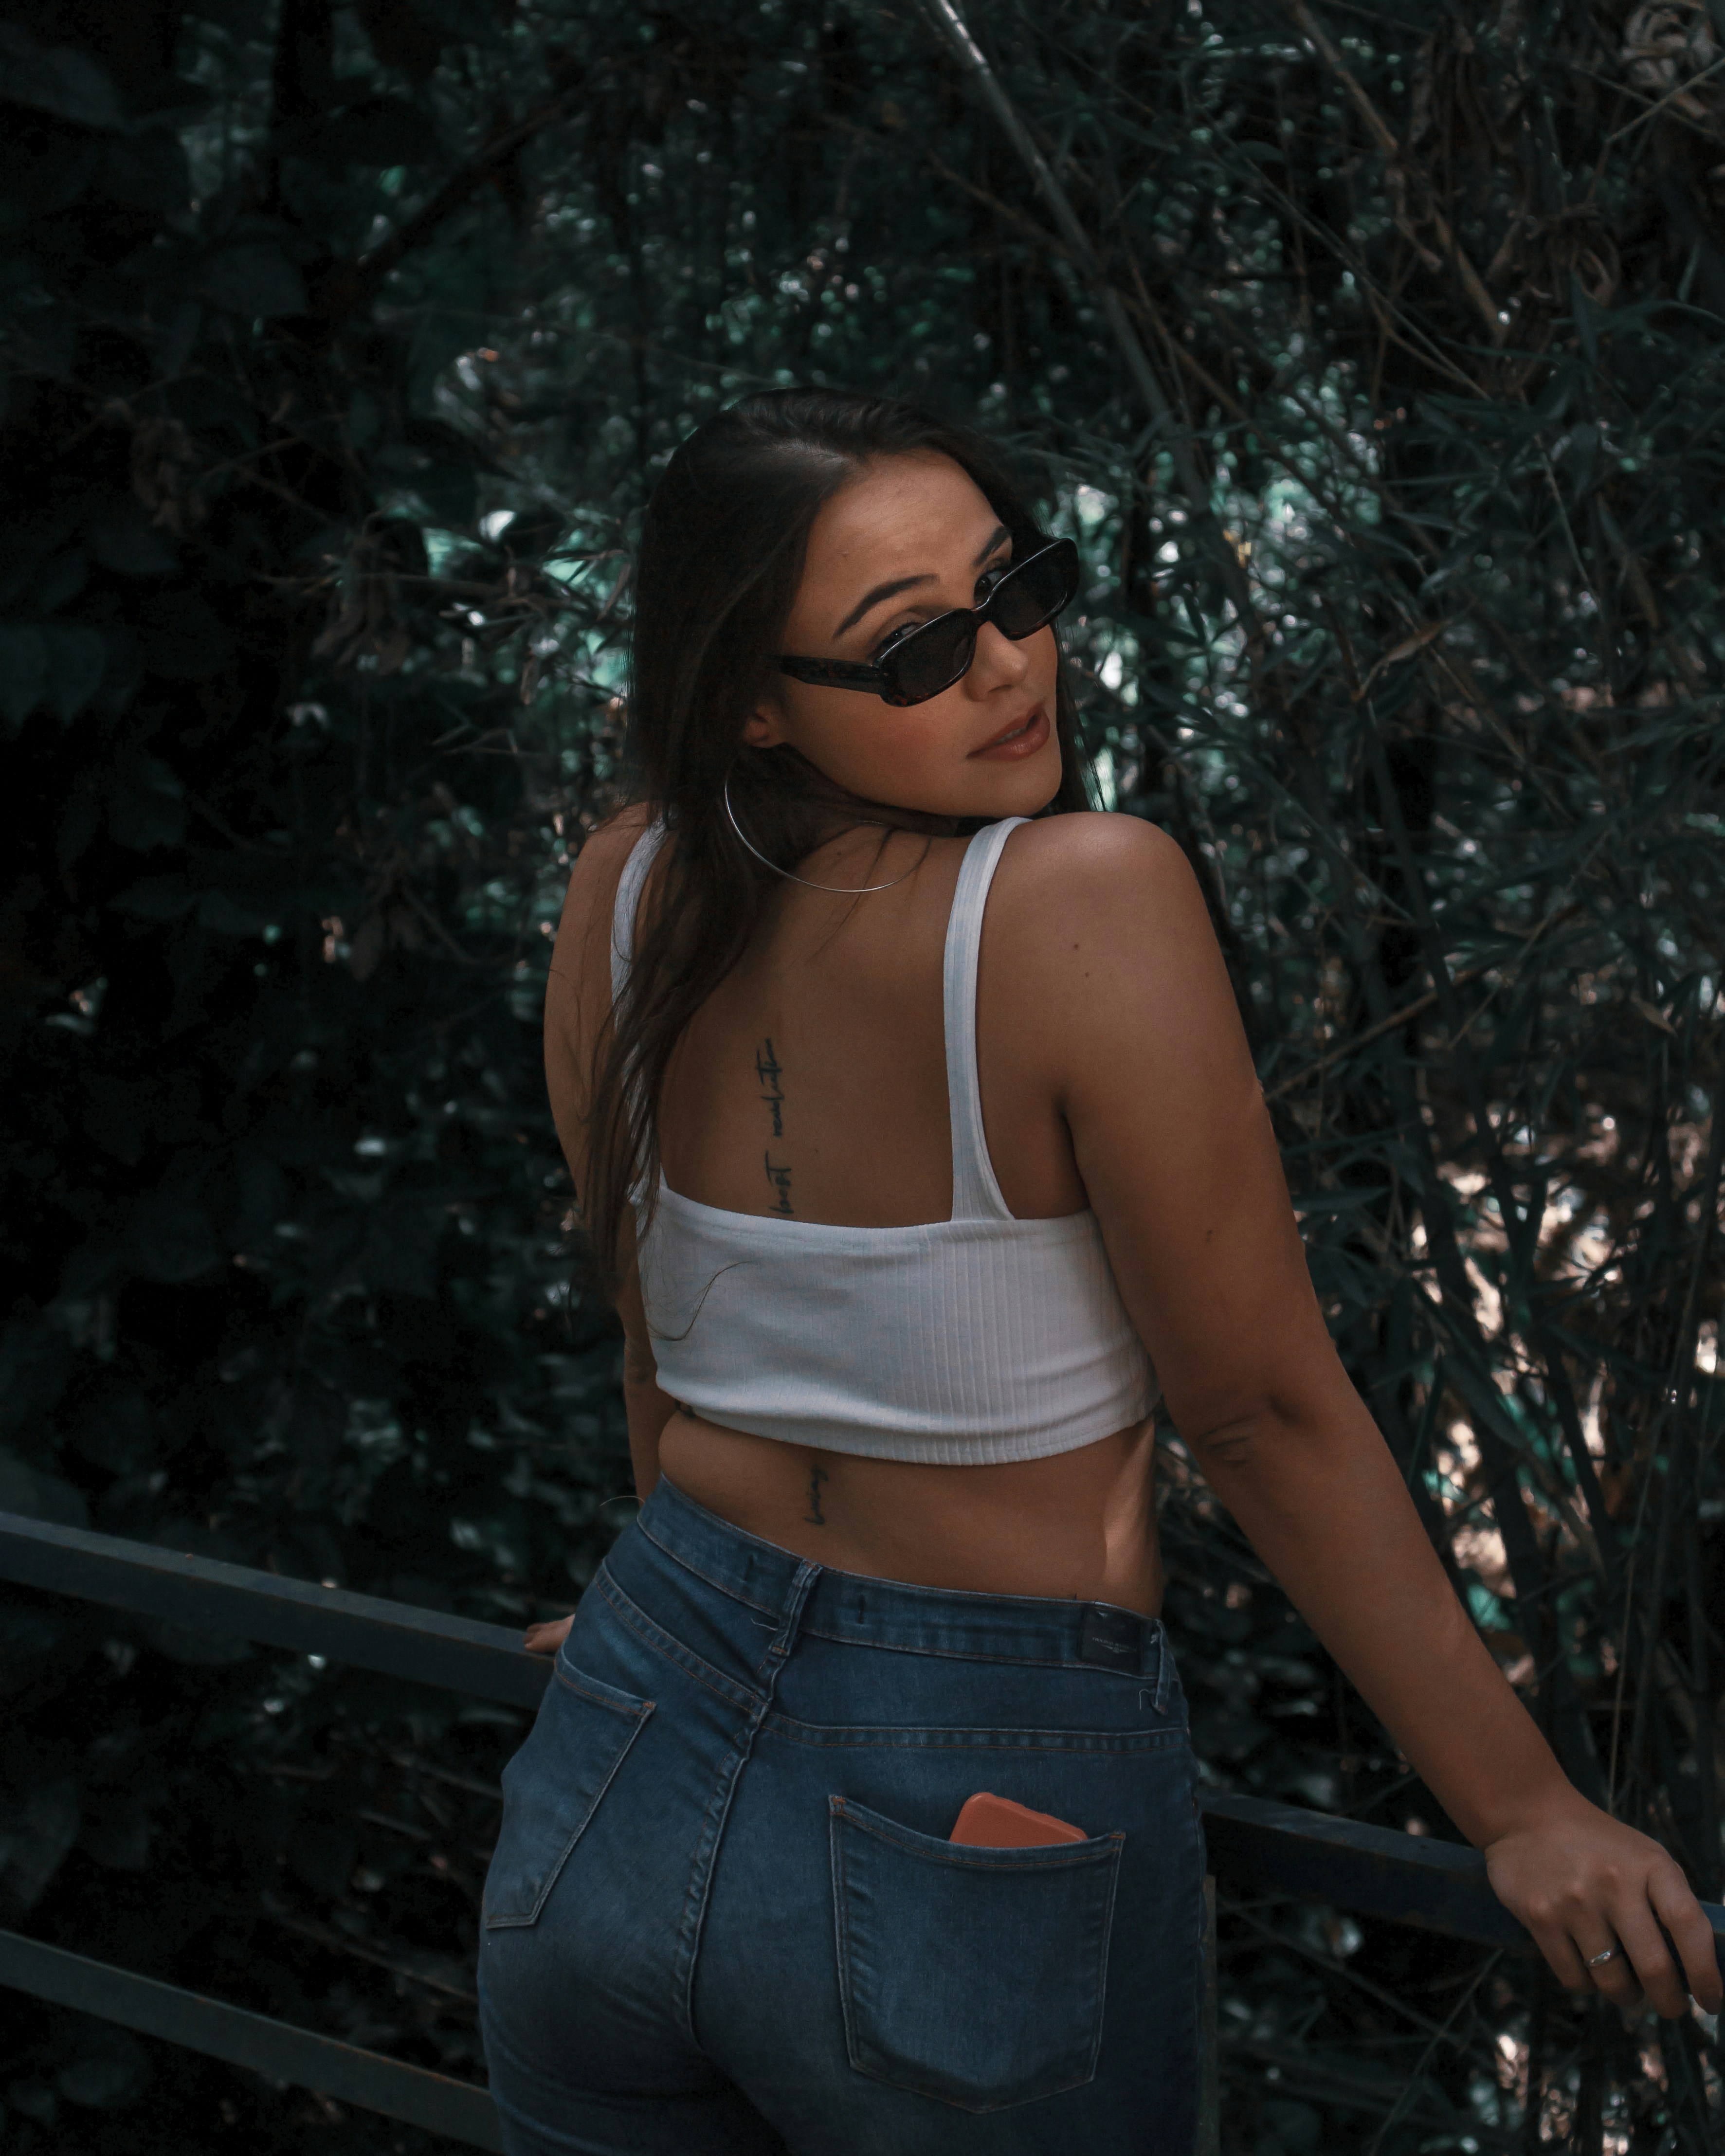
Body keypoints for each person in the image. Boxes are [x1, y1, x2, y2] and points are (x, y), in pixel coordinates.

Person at [475, 388, 1721, 2156]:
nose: (1005, 669)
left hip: (627, 1743)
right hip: (962, 1789)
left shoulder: (620, 889)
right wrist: (1521, 1809)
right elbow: (1259, 1407)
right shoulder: (1082, 901)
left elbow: (657, 1337)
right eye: (910, 654)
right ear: (750, 700)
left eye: (1021, 588)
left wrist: (684, 1633)